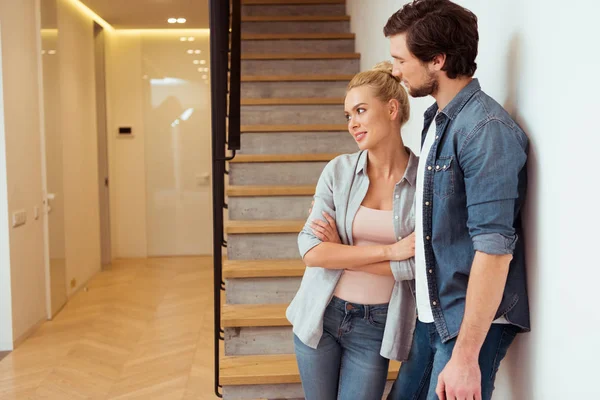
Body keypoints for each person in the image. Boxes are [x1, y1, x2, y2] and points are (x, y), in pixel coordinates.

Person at [383, 1, 530, 399]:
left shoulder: (485, 131)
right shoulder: (437, 119)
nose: (395, 70)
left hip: (467, 327)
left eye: (400, 59)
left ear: (438, 60)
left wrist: (465, 357)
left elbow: (494, 251)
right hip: (435, 316)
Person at [286, 61, 418, 400]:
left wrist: (341, 252)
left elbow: (417, 266)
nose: (352, 123)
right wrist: (390, 251)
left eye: (360, 110)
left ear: (391, 109)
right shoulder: (339, 171)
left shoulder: (423, 181)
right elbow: (313, 252)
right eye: (348, 115)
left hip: (376, 326)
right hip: (321, 313)